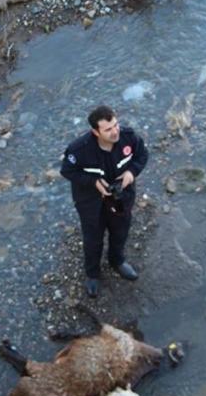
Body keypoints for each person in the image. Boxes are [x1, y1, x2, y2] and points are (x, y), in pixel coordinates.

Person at [60, 105, 149, 298]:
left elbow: (142, 155)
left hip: (121, 196)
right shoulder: (79, 149)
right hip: (91, 202)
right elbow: (67, 171)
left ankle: (117, 261)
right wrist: (93, 182)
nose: (115, 131)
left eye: (116, 125)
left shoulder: (129, 138)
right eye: (108, 130)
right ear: (95, 131)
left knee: (120, 232)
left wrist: (131, 173)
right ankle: (92, 274)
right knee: (93, 239)